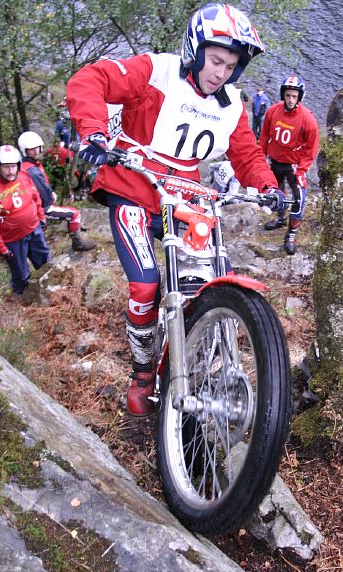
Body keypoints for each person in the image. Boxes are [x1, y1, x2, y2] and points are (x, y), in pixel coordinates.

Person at [66, 2, 286, 417]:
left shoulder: (231, 104)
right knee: (145, 284)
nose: (220, 73)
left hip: (184, 195)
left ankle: (198, 351)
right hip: (133, 184)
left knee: (208, 277)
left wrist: (269, 186)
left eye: (230, 66)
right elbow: (91, 79)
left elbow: (247, 153)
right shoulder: (157, 71)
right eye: (215, 60)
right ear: (196, 50)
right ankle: (142, 372)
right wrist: (93, 131)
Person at [260, 74, 319, 255]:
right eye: (288, 95)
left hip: (294, 166)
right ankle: (280, 218)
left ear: (299, 97)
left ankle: (291, 235)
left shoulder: (308, 119)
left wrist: (302, 170)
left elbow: (311, 148)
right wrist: (261, 158)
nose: (291, 100)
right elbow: (264, 136)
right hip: (275, 162)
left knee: (299, 201)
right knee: (277, 194)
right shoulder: (273, 111)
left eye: (294, 96)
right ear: (283, 95)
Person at [18, 131, 96, 252]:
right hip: (40, 207)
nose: (36, 151)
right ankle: (78, 243)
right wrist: (50, 196)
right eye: (32, 149)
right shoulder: (32, 170)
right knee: (75, 214)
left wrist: (50, 192)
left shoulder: (25, 165)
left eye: (37, 148)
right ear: (25, 151)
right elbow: (45, 194)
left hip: (32, 206)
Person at [0, 145, 50, 295]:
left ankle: (49, 289)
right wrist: (2, 247)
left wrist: (41, 216)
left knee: (45, 262)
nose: (10, 171)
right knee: (20, 274)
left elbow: (35, 197)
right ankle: (21, 297)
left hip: (34, 230)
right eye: (6, 167)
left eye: (13, 166)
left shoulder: (24, 176)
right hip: (12, 240)